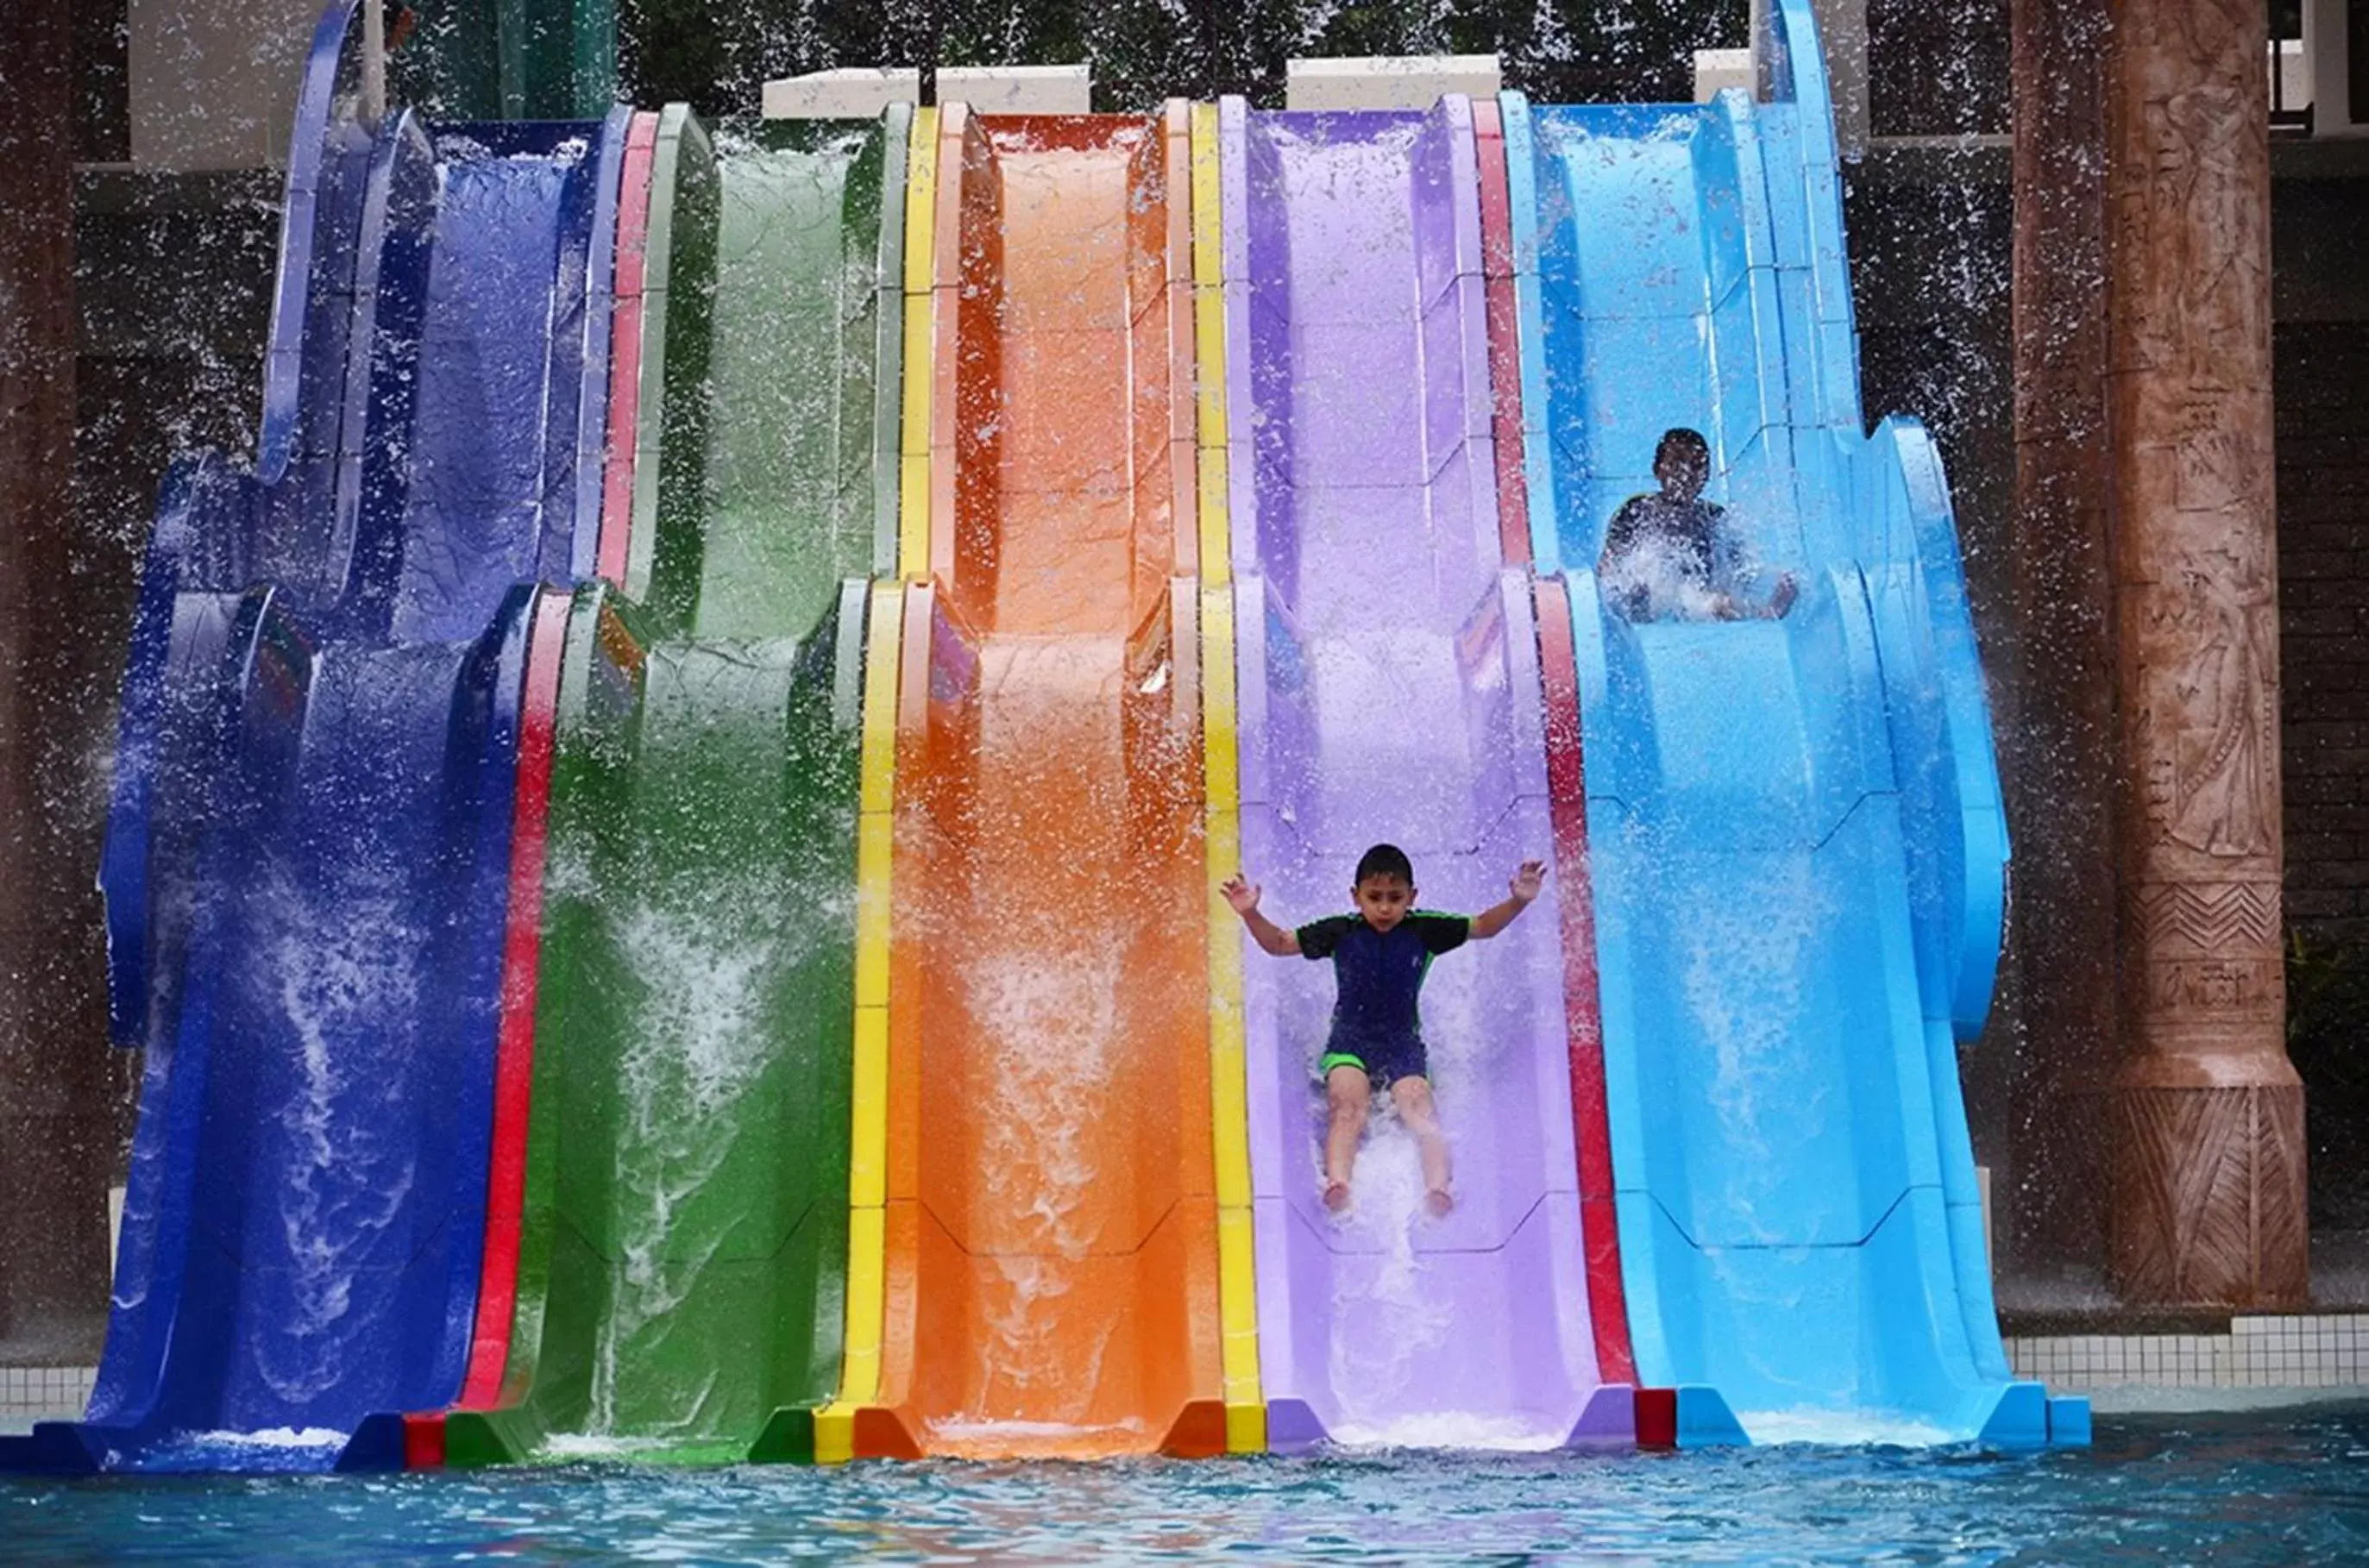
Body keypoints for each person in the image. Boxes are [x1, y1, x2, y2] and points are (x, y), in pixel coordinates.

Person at [1221, 844, 1545, 1219]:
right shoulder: (1340, 931)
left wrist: (1518, 901)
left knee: (1418, 1104)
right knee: (1346, 1105)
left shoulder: (1425, 929)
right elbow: (1278, 944)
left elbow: (1483, 927)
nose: (1385, 908)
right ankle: (1338, 1182)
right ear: (1355, 896)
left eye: (1396, 898)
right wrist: (1250, 913)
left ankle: (1438, 1185)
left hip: (1403, 1044)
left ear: (1413, 897)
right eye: (1374, 898)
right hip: (1349, 1042)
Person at [1597, 427, 1798, 622]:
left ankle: (1765, 612)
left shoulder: (1714, 516)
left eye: (1696, 465)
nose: (1685, 474)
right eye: (1675, 464)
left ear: (1707, 475)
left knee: (1720, 603)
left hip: (1698, 597)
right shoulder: (1636, 509)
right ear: (1657, 470)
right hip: (1651, 597)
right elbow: (1609, 563)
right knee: (1635, 588)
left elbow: (1739, 571)